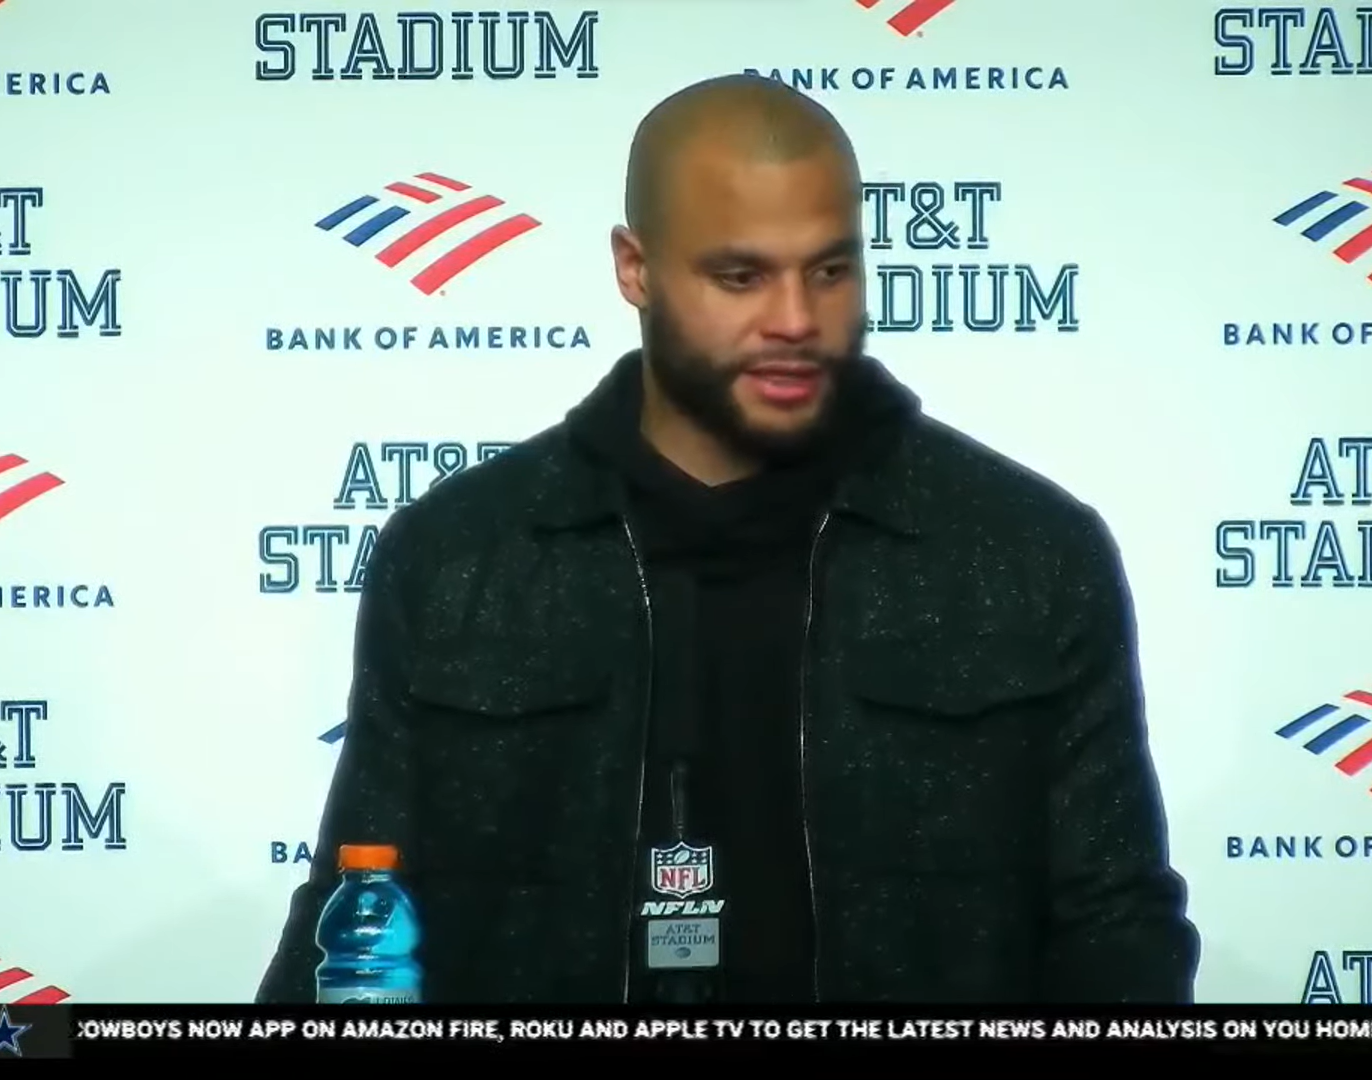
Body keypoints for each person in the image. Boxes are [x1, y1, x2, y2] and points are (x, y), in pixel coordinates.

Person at [259, 74, 1199, 1005]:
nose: (795, 320)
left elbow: (1116, 932)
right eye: (740, 275)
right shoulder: (457, 558)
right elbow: (357, 920)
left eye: (829, 270)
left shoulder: (1030, 556)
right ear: (634, 269)